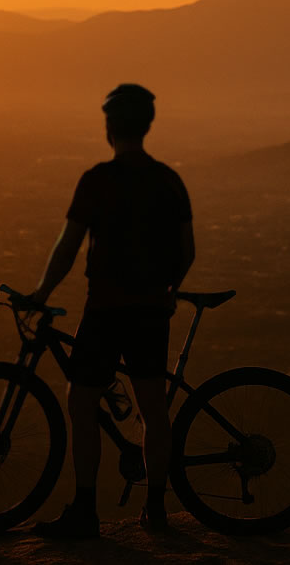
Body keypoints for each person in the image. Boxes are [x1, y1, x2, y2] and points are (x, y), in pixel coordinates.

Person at [25, 83, 195, 539]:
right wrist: (170, 290)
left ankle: (85, 512)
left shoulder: (97, 180)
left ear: (109, 128)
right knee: (153, 410)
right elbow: (187, 250)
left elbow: (67, 248)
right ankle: (155, 510)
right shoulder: (167, 181)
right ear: (147, 125)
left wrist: (41, 293)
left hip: (104, 311)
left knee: (81, 401)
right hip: (150, 312)